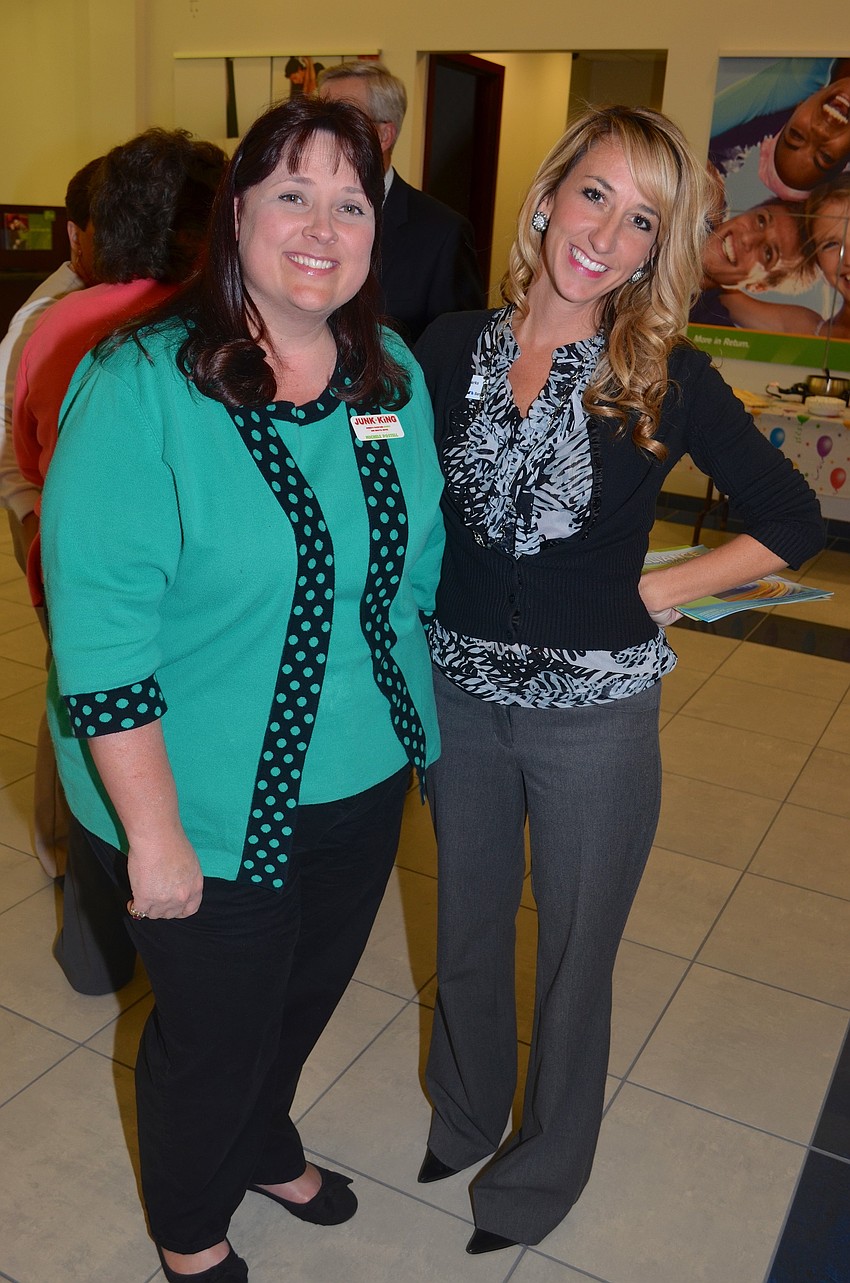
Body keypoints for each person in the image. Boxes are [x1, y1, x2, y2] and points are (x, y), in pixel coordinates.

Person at [41, 96, 444, 1281]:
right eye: (291, 195)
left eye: (350, 202)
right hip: (201, 800)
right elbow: (101, 630)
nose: (322, 225)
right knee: (212, 1033)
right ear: (237, 218)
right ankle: (187, 1223)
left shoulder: (390, 368)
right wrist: (152, 832)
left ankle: (263, 1138)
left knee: (304, 992)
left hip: (360, 773)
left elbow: (414, 568)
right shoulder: (139, 380)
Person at [413, 105, 825, 1254]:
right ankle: (459, 1111)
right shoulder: (447, 345)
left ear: (658, 250)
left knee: (575, 953)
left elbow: (791, 520)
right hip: (458, 692)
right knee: (467, 923)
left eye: (642, 219)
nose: (606, 231)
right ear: (547, 196)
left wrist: (657, 589)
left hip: (593, 715)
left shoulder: (663, 373)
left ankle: (540, 1172)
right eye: (594, 194)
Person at [14, 128, 228, 996]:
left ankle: (96, 948)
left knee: (86, 730)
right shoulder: (212, 329)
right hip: (193, 588)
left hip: (77, 576)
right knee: (169, 747)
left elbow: (31, 457)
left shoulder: (50, 321)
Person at [0, 155, 101, 880]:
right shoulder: (45, 317)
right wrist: (36, 527)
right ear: (77, 233)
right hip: (42, 513)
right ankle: (64, 850)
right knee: (72, 683)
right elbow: (9, 446)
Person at [319, 59, 486, 342]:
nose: (321, 135)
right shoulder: (302, 217)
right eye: (319, 120)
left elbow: (457, 351)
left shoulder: (442, 234)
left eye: (342, 120)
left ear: (384, 135)